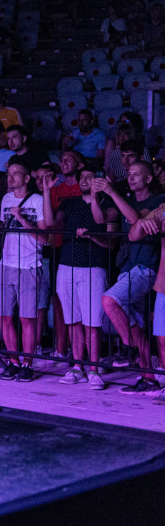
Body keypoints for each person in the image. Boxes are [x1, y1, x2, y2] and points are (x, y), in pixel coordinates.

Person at [44, 167, 114, 389]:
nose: (84, 179)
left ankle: (94, 369)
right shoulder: (70, 203)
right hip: (67, 264)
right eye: (82, 177)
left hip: (93, 267)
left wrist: (94, 196)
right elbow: (50, 223)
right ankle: (77, 367)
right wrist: (46, 191)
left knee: (92, 322)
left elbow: (100, 222)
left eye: (89, 177)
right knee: (72, 320)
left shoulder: (108, 204)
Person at [98, 163, 164, 393]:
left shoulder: (158, 200)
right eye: (129, 174)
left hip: (146, 267)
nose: (131, 177)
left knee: (109, 300)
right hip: (127, 266)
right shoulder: (128, 199)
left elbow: (137, 220)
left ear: (149, 178)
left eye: (137, 174)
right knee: (135, 326)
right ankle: (148, 377)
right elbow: (120, 224)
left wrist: (112, 192)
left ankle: (128, 349)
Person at [0, 157, 47, 382]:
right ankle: (13, 361)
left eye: (15, 173)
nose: (11, 177)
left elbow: (44, 238)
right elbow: (5, 227)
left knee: (27, 318)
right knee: (4, 316)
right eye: (9, 174)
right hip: (6, 264)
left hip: (29, 264)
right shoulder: (5, 199)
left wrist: (22, 218)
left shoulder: (37, 200)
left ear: (26, 178)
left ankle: (28, 363)